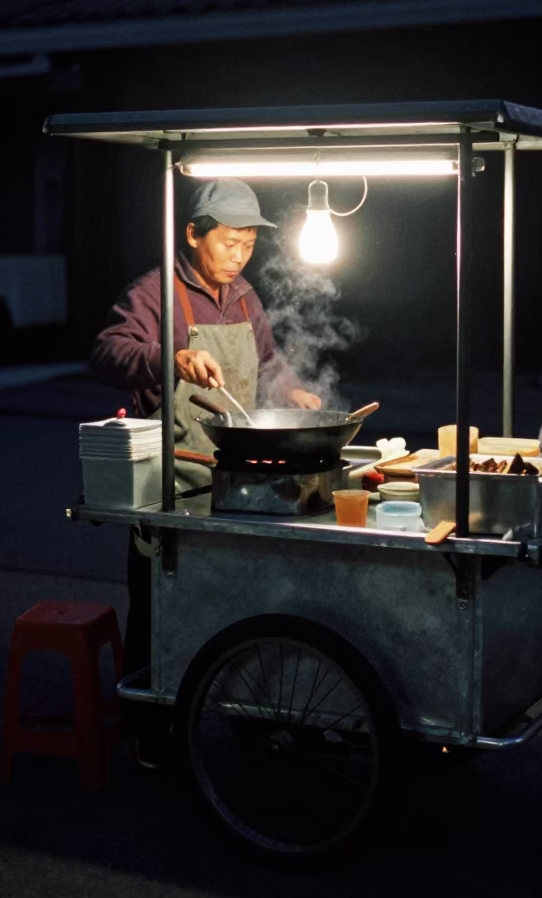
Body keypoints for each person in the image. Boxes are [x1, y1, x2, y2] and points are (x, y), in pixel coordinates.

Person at [91, 179, 323, 765]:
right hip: (171, 484)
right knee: (157, 608)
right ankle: (148, 729)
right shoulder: (155, 292)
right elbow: (107, 352)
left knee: (240, 606)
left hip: (235, 481)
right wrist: (168, 358)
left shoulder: (244, 295)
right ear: (193, 234)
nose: (239, 255)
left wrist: (293, 389)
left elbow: (268, 361)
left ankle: (244, 714)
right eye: (229, 242)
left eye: (248, 243)